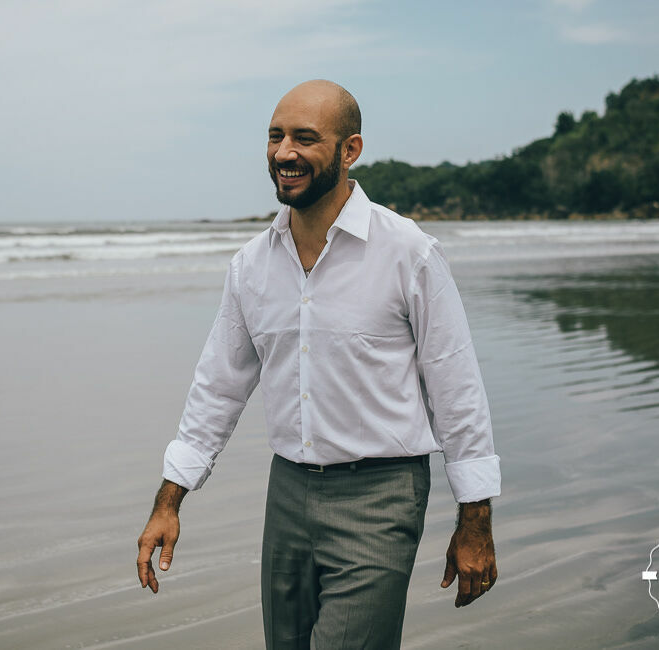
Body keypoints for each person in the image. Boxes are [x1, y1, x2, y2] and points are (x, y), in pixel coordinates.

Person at [137, 79, 500, 649]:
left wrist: (475, 520)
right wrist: (169, 500)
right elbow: (218, 388)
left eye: (305, 138)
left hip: (381, 496)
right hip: (287, 494)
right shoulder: (251, 265)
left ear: (349, 150)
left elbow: (456, 389)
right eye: (276, 136)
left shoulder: (409, 253)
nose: (285, 152)